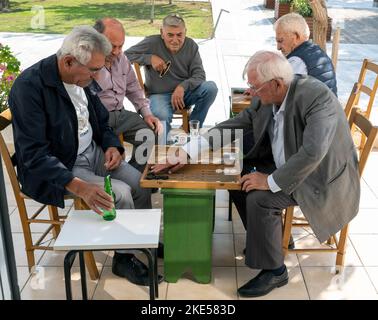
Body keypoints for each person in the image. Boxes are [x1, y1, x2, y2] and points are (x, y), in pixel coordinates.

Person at [151, 51, 360, 297]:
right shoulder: (267, 96)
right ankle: (269, 240)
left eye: (255, 87)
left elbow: (313, 153)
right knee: (240, 180)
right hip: (289, 162)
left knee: (260, 198)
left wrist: (270, 181)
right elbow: (235, 125)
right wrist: (186, 153)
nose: (250, 92)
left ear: (277, 84)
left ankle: (275, 271)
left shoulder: (316, 96)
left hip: (317, 177)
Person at [8, 26, 161, 286]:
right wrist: (80, 187)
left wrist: (113, 146)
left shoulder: (81, 80)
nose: (98, 75)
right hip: (64, 166)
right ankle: (123, 260)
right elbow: (34, 155)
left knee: (140, 183)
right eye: (93, 70)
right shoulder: (29, 88)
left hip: (94, 153)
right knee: (120, 193)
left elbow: (102, 122)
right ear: (68, 61)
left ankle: (139, 240)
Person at [125, 13, 218, 138]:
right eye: (170, 35)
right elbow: (124, 56)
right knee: (161, 116)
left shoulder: (191, 45)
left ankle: (192, 127)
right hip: (159, 95)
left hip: (184, 94)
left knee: (211, 88)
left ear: (185, 32)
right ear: (162, 33)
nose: (175, 40)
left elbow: (200, 75)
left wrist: (182, 87)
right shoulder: (151, 42)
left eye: (179, 35)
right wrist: (149, 58)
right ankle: (162, 146)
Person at [93, 18, 162, 173]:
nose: (117, 52)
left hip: (120, 113)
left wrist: (147, 113)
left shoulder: (121, 58)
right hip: (99, 118)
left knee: (150, 132)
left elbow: (133, 87)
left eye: (121, 46)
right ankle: (126, 179)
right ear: (97, 40)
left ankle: (136, 176)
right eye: (112, 46)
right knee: (103, 154)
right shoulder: (88, 61)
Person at [274, 12, 337, 96]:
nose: (278, 47)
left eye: (280, 41)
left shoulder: (297, 60)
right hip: (328, 107)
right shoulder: (315, 50)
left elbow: (282, 95)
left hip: (317, 108)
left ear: (296, 37)